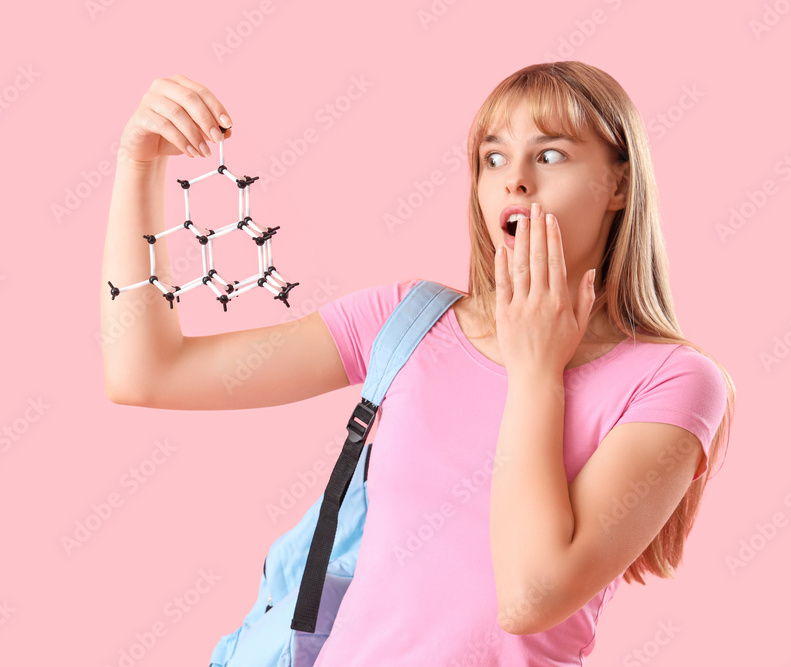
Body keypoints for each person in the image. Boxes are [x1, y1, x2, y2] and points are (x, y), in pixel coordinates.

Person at [101, 61, 736, 665]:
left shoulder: (674, 382)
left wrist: (537, 369)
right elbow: (147, 373)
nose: (514, 179)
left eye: (550, 154)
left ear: (620, 184)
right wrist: (139, 164)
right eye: (493, 158)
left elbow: (529, 598)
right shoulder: (408, 321)